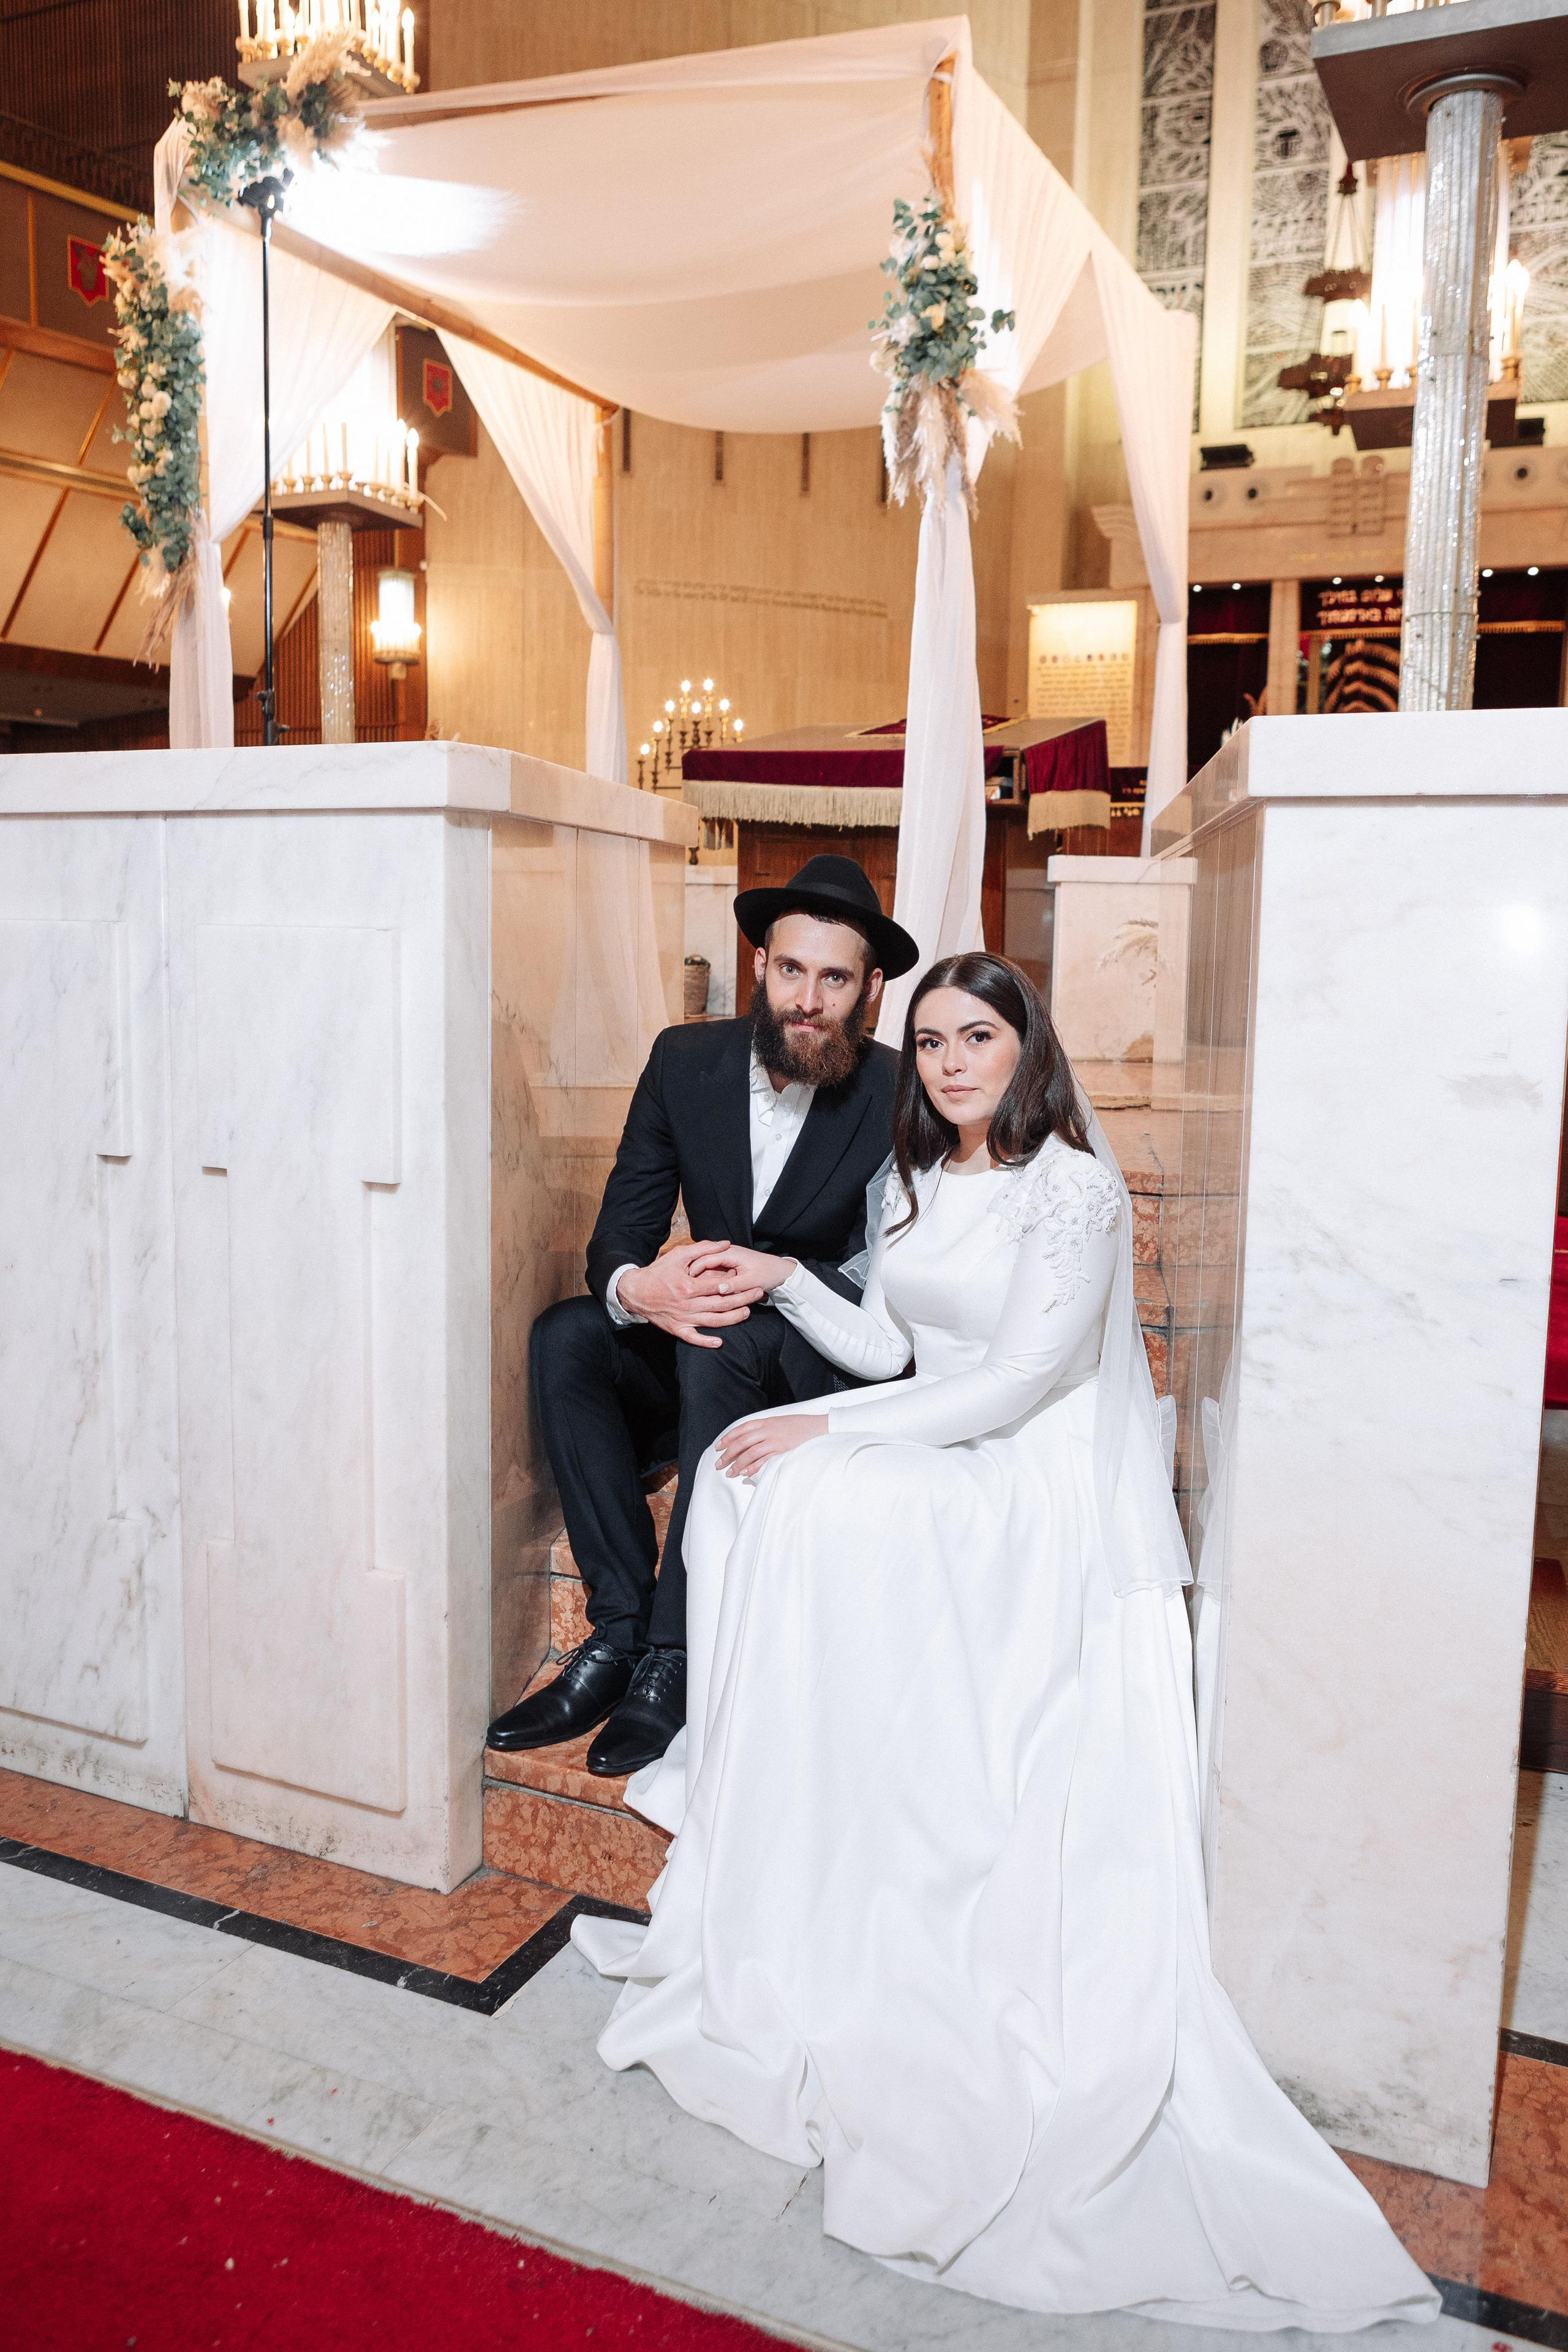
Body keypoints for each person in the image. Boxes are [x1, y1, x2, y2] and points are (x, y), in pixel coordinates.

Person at [573, 954, 1440, 2329]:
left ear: (1026, 1045)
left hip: (1038, 1479)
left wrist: (828, 1431)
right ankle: (815, 1793)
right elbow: (883, 1350)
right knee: (770, 1484)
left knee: (818, 1486)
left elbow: (1025, 1379)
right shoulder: (917, 1183)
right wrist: (791, 1281)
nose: (950, 1063)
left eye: (976, 1037)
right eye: (926, 1044)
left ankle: (890, 1798)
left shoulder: (1074, 1190)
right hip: (950, 1425)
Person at [488, 856, 918, 1779]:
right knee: (566, 1335)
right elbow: (619, 1239)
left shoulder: (896, 1093)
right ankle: (616, 1630)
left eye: (835, 978)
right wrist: (642, 1289)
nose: (808, 999)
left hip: (809, 1358)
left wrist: (775, 1282)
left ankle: (675, 1654)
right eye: (792, 969)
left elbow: (889, 1287)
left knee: (721, 1336)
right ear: (760, 965)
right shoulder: (682, 1063)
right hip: (701, 1350)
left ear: (871, 991)